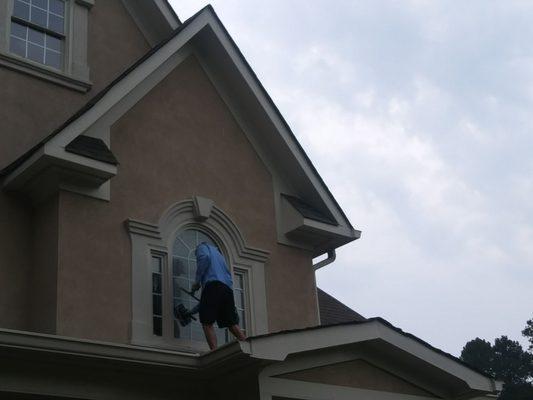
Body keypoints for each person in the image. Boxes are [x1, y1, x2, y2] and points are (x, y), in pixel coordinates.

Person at [191, 242, 246, 350]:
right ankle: (248, 346)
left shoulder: (202, 247)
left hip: (213, 286)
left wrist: (197, 281)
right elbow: (207, 303)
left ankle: (214, 351)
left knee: (207, 322)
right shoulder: (219, 255)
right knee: (231, 323)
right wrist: (192, 311)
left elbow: (204, 257)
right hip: (227, 290)